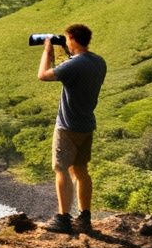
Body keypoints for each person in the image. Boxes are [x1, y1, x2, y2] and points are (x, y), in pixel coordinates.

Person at [34, 23, 106, 234]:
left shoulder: (74, 65)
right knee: (81, 171)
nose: (65, 42)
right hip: (86, 125)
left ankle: (63, 218)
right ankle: (85, 218)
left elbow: (43, 75)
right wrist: (67, 52)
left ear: (73, 38)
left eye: (66, 39)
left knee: (61, 169)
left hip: (67, 127)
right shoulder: (99, 62)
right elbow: (72, 70)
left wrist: (48, 50)